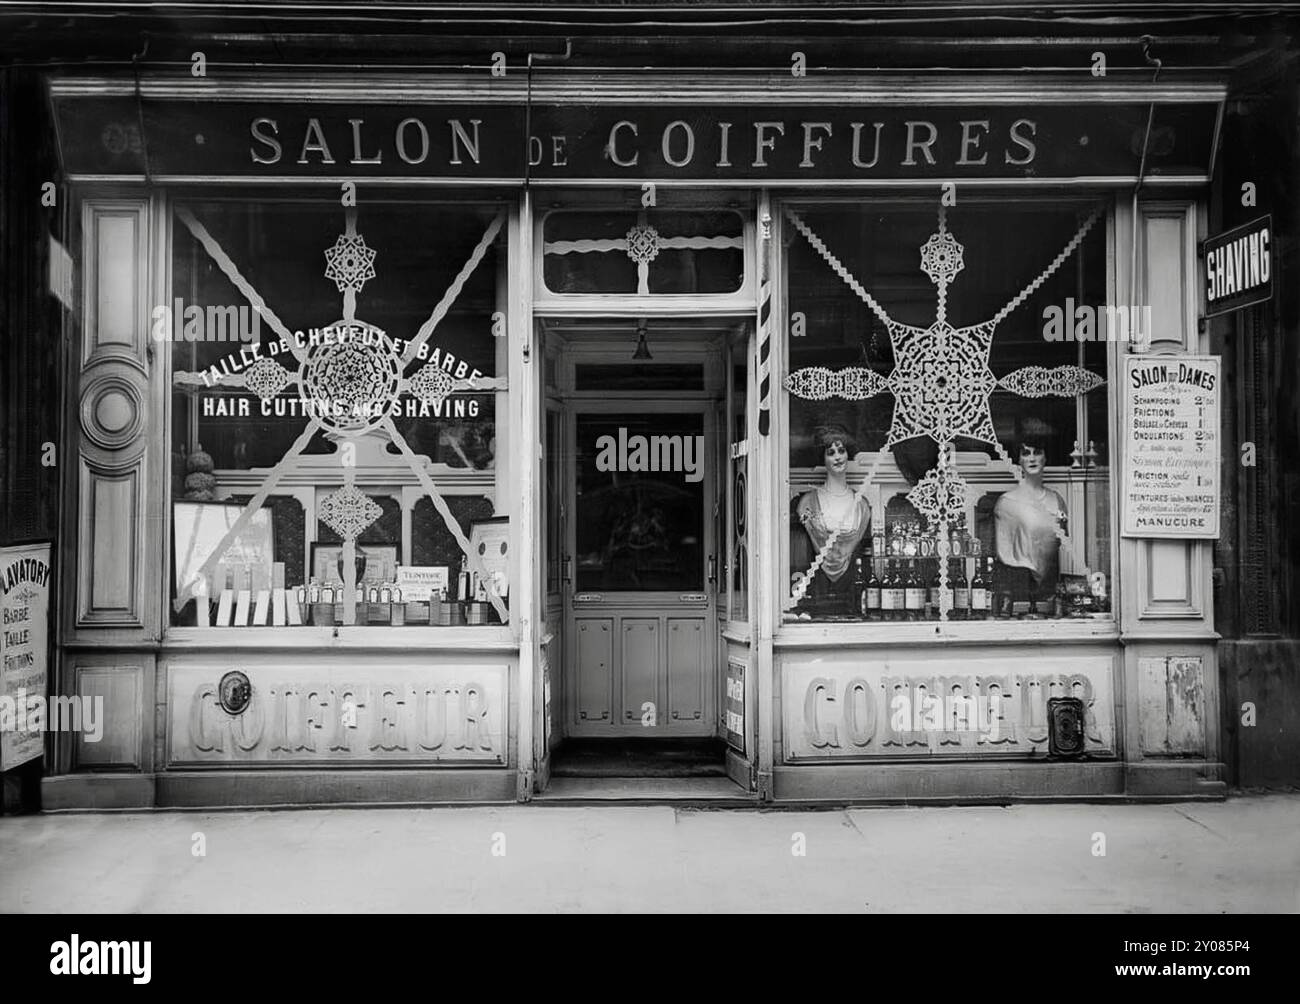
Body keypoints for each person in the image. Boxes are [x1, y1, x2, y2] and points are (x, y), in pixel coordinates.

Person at [792, 423, 872, 614]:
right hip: (815, 591)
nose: (837, 457)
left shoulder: (862, 505)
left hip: (853, 592)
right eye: (831, 452)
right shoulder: (807, 504)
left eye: (841, 450)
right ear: (823, 458)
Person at [993, 429, 1066, 609]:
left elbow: (1060, 545)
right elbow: (1003, 553)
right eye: (1026, 453)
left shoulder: (1057, 500)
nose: (1032, 458)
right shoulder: (1006, 503)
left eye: (1037, 452)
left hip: (1049, 594)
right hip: (1020, 592)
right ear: (1019, 460)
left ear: (1045, 458)